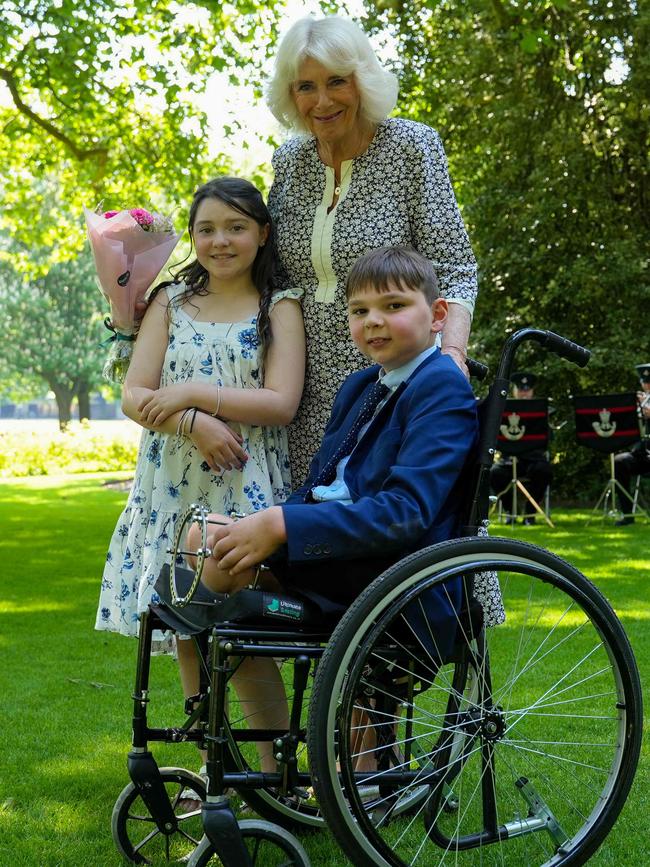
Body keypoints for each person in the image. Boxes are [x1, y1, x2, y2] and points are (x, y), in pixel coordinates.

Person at [187, 247, 478, 769]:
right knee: (205, 543)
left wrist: (282, 526)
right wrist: (271, 523)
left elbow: (406, 512)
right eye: (360, 310)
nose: (374, 322)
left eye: (393, 306)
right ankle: (284, 769)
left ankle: (340, 770)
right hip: (336, 559)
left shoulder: (441, 386)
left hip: (390, 572)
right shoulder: (363, 385)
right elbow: (321, 484)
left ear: (437, 316)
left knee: (215, 560)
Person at [95, 177, 305, 763]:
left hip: (246, 482)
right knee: (188, 624)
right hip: (172, 483)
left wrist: (190, 393)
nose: (220, 241)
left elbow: (280, 401)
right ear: (191, 236)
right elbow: (135, 395)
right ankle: (214, 767)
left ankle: (274, 769)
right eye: (207, 229)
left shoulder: (279, 306)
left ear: (262, 234)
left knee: (240, 632)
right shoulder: (169, 300)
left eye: (236, 227)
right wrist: (191, 424)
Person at [265, 14, 479, 484]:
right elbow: (267, 271)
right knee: (313, 524)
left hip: (393, 375)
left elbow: (456, 267)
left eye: (336, 81)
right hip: (302, 382)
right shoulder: (289, 161)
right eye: (305, 87)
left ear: (362, 81)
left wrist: (454, 357)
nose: (322, 101)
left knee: (391, 519)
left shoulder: (411, 146)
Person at [490, 372, 552, 525]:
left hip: (533, 458)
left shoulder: (542, 411)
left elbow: (548, 438)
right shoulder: (503, 408)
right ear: (514, 390)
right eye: (521, 389)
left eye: (527, 389)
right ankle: (510, 511)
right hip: (508, 459)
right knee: (494, 473)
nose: (524, 392)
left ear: (532, 391)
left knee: (543, 471)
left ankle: (530, 514)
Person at [613, 363, 650, 526]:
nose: (647, 385)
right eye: (645, 382)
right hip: (642, 452)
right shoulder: (639, 400)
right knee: (619, 462)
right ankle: (628, 514)